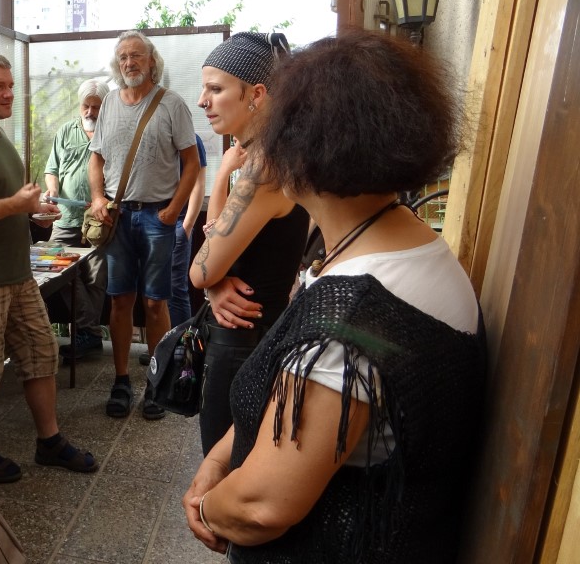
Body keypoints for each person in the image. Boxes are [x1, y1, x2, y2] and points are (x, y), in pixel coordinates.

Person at [184, 31, 486, 563]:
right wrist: (217, 460)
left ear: (301, 150)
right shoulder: (413, 242)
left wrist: (206, 507)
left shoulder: (350, 318)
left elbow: (260, 506)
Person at [0, 52, 98, 484]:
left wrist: (32, 214)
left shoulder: (0, 139)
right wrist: (15, 206)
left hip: (18, 272)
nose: (9, 93)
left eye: (10, 85)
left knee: (42, 353)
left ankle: (50, 441)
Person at [188, 32, 310, 455]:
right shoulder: (285, 153)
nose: (202, 100)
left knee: (226, 464)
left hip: (242, 340)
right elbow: (218, 236)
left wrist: (211, 278)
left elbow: (200, 267)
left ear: (255, 94)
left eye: (215, 89)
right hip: (264, 327)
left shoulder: (264, 169)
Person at [88, 30, 199, 420]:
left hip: (157, 217)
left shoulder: (172, 104)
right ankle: (121, 380)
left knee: (156, 302)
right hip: (118, 216)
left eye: (136, 56)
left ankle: (155, 381)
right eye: (123, 58)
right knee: (120, 299)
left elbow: (192, 163)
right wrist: (99, 198)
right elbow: (96, 160)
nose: (129, 63)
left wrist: (174, 210)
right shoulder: (108, 106)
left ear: (152, 61)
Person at [43, 78, 110, 361]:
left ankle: (86, 336)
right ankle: (90, 332)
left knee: (95, 277)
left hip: (98, 220)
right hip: (65, 217)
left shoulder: (111, 132)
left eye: (96, 107)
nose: (90, 112)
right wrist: (53, 189)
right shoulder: (65, 131)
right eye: (86, 106)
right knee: (55, 267)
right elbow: (52, 169)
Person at [169, 132, 207, 328]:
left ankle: (180, 346)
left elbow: (199, 182)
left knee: (176, 287)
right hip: (154, 220)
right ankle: (160, 344)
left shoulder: (192, 139)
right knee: (156, 289)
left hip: (180, 222)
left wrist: (188, 225)